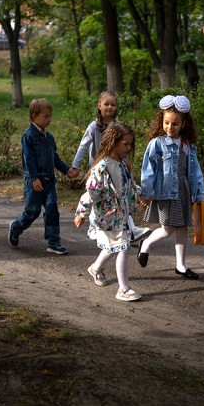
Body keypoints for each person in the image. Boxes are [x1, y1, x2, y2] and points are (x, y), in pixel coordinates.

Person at [138, 94, 204, 278]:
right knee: (167, 229)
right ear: (162, 121)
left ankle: (181, 266)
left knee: (183, 228)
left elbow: (196, 172)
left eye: (175, 124)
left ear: (183, 124)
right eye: (167, 123)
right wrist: (146, 192)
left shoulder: (188, 146)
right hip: (165, 191)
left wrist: (200, 194)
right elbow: (148, 169)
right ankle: (146, 244)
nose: (170, 127)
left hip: (183, 191)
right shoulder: (157, 144)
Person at [75, 122, 143, 302]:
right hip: (107, 216)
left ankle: (96, 268)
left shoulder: (122, 164)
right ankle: (124, 288)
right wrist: (81, 213)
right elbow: (92, 192)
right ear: (113, 142)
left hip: (122, 214)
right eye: (125, 144)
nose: (129, 148)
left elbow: (127, 186)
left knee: (115, 247)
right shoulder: (102, 166)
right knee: (123, 247)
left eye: (130, 144)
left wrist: (141, 194)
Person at [8, 98, 79, 254]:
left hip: (49, 181)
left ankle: (53, 242)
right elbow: (29, 159)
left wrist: (67, 170)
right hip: (34, 181)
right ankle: (16, 227)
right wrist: (34, 178)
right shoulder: (28, 136)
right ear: (35, 117)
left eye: (50, 116)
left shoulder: (49, 137)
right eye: (46, 116)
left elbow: (55, 158)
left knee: (52, 209)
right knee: (32, 212)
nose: (49, 119)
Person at [71, 91, 118, 171]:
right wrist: (75, 166)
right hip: (96, 170)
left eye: (113, 105)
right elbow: (83, 146)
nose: (110, 107)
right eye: (106, 104)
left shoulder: (118, 127)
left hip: (115, 169)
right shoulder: (93, 127)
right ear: (99, 106)